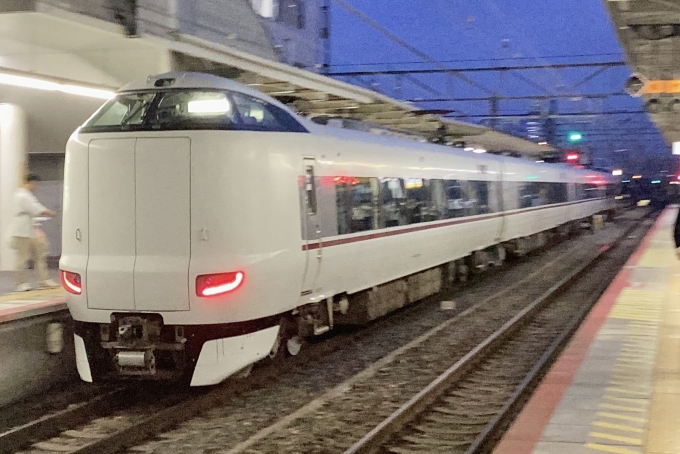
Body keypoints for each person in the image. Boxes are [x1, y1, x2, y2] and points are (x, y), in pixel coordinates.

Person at [10, 174, 58, 291]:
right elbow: (37, 209)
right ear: (30, 182)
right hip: (22, 231)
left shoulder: (27, 195)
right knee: (22, 258)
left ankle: (43, 280)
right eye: (35, 184)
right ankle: (21, 283)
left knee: (40, 255)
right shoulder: (22, 195)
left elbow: (35, 209)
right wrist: (49, 212)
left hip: (32, 229)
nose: (35, 186)